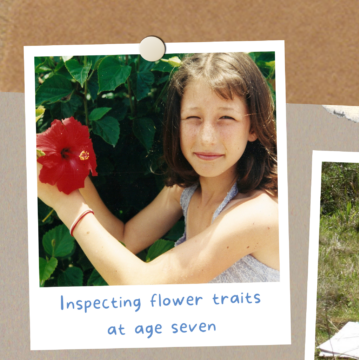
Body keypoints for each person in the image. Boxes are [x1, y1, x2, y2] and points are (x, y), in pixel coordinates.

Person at [36, 52, 280, 285]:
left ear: (253, 127)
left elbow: (141, 285)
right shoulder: (186, 190)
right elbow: (124, 238)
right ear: (177, 123)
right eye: (193, 117)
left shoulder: (258, 215)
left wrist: (65, 205)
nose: (206, 138)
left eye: (226, 118)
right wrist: (71, 171)